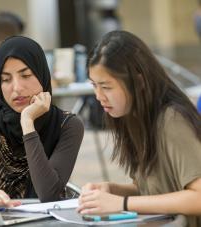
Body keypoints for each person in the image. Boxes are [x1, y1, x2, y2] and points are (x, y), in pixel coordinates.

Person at [76, 31, 201, 226]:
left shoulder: (171, 120)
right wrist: (111, 190)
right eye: (94, 85)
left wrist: (122, 203)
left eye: (106, 87)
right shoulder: (134, 116)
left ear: (139, 81)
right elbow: (152, 191)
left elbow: (198, 197)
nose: (99, 96)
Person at [0, 36, 84, 207]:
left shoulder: (67, 125)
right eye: (6, 79)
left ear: (42, 74)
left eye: (26, 75)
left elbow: (48, 194)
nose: (17, 87)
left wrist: (27, 123)